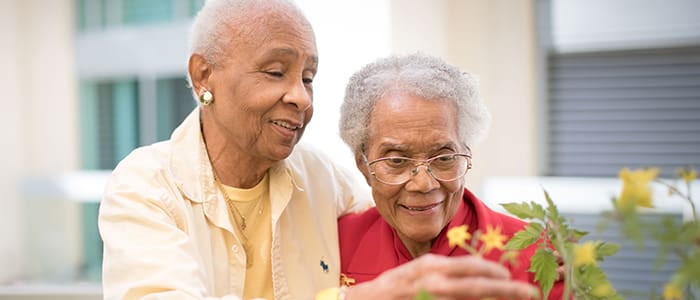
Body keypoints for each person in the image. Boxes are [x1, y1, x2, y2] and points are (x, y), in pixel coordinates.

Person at [99, 0, 547, 299]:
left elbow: (406, 210)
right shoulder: (144, 187)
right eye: (276, 72)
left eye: (308, 78)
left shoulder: (318, 175)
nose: (301, 97)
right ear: (203, 77)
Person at [336, 53, 565, 299]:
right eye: (396, 161)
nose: (423, 184)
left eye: (444, 158)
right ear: (363, 164)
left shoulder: (536, 255)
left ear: (466, 155)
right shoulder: (337, 244)